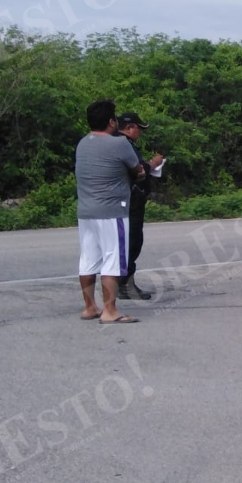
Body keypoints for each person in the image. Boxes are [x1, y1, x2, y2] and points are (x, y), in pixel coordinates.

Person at [75, 99, 144, 324]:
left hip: (86, 211)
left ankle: (89, 307)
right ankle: (110, 311)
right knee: (113, 259)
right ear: (111, 122)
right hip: (112, 210)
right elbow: (138, 170)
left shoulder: (82, 143)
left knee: (88, 260)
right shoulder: (120, 144)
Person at [114, 112, 163, 301]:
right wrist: (154, 163)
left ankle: (121, 284)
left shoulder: (116, 143)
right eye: (138, 129)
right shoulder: (124, 144)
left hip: (125, 200)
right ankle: (126, 285)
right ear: (130, 128)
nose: (139, 133)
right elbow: (139, 170)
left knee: (127, 242)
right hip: (131, 201)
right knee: (132, 241)